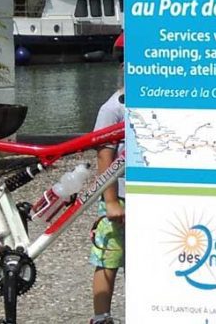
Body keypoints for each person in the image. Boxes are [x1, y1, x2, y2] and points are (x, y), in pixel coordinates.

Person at [89, 33, 125, 324]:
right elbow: (104, 156)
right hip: (119, 197)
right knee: (107, 258)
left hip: (147, 195)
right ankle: (101, 315)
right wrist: (110, 199)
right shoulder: (113, 108)